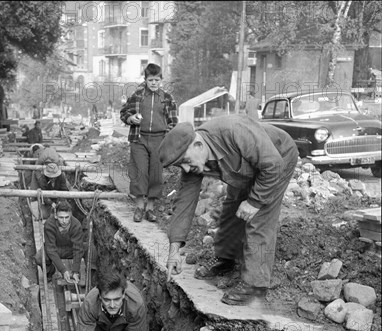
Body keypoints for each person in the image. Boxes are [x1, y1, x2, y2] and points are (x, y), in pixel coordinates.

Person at [159, 118, 298, 306]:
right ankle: (226, 259)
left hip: (278, 158)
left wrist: (254, 202)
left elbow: (273, 165)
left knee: (259, 217)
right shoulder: (195, 158)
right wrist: (173, 250)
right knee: (233, 207)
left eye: (185, 161)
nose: (185, 169)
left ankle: (255, 284)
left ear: (198, 145)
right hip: (245, 167)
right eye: (179, 165)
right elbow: (184, 204)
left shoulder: (235, 132)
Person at [120, 63, 178, 223]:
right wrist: (130, 119)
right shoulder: (138, 96)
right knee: (140, 173)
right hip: (139, 139)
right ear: (145, 80)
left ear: (161, 80)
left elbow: (173, 121)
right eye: (150, 80)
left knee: (155, 175)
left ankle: (150, 209)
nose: (153, 83)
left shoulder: (167, 98)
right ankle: (139, 207)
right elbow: (124, 113)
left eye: (157, 80)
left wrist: (168, 134)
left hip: (159, 140)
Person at [34, 201, 85, 283]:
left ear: (71, 215)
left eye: (67, 217)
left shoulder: (76, 225)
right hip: (56, 249)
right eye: (61, 217)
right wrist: (63, 270)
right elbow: (51, 249)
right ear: (55, 215)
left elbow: (78, 249)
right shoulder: (49, 224)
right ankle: (50, 272)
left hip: (70, 250)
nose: (64, 221)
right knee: (39, 257)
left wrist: (75, 271)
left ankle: (89, 278)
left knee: (90, 249)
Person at [29, 146, 69, 220]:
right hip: (48, 198)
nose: (53, 178)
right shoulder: (42, 178)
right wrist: (51, 203)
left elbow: (64, 189)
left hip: (58, 197)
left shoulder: (61, 175)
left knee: (64, 211)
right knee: (44, 215)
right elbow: (43, 193)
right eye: (51, 177)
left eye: (54, 176)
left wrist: (59, 201)